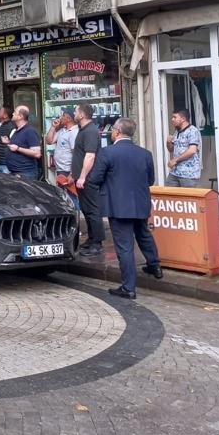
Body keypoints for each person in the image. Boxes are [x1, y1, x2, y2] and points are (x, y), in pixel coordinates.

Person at [86, 117, 162, 299]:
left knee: (124, 246)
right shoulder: (145, 153)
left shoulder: (107, 153)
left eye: (113, 130)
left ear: (118, 132)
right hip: (140, 202)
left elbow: (94, 179)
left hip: (118, 205)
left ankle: (129, 287)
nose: (112, 132)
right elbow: (150, 180)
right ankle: (155, 266)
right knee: (143, 234)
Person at [73, 102, 105, 256]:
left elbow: (90, 155)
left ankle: (97, 243)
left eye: (76, 111)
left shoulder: (90, 131)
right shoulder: (83, 130)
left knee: (92, 210)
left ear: (82, 115)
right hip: (82, 178)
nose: (74, 113)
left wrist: (83, 177)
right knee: (86, 209)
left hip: (88, 178)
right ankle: (92, 239)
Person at [46, 109, 79, 208]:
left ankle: (75, 219)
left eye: (63, 116)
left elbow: (76, 154)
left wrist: (72, 174)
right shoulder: (62, 131)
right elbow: (49, 141)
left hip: (68, 171)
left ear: (69, 118)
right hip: (60, 170)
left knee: (72, 197)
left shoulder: (74, 132)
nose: (60, 118)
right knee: (63, 197)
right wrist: (53, 127)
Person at [2, 105, 42, 180]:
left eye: (14, 112)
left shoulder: (30, 131)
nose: (12, 114)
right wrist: (8, 143)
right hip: (17, 174)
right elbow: (17, 146)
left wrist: (18, 148)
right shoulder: (16, 131)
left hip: (25, 175)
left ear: (20, 116)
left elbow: (37, 153)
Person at [165, 109, 202, 187]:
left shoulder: (193, 131)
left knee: (189, 198)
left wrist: (175, 160)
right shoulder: (177, 132)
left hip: (189, 174)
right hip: (175, 172)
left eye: (175, 117)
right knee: (168, 195)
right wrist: (168, 142)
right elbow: (171, 149)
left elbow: (192, 150)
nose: (172, 119)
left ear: (183, 119)